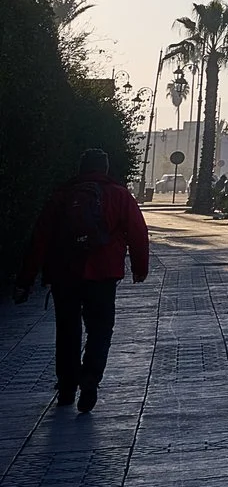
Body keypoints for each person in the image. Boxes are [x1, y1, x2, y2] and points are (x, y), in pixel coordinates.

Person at [13, 150, 150, 413]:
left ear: (80, 168)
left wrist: (26, 278)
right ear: (106, 169)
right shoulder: (119, 195)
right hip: (103, 272)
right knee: (100, 328)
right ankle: (90, 380)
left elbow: (40, 238)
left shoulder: (62, 195)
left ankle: (66, 386)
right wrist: (139, 268)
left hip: (65, 272)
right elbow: (138, 232)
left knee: (67, 329)